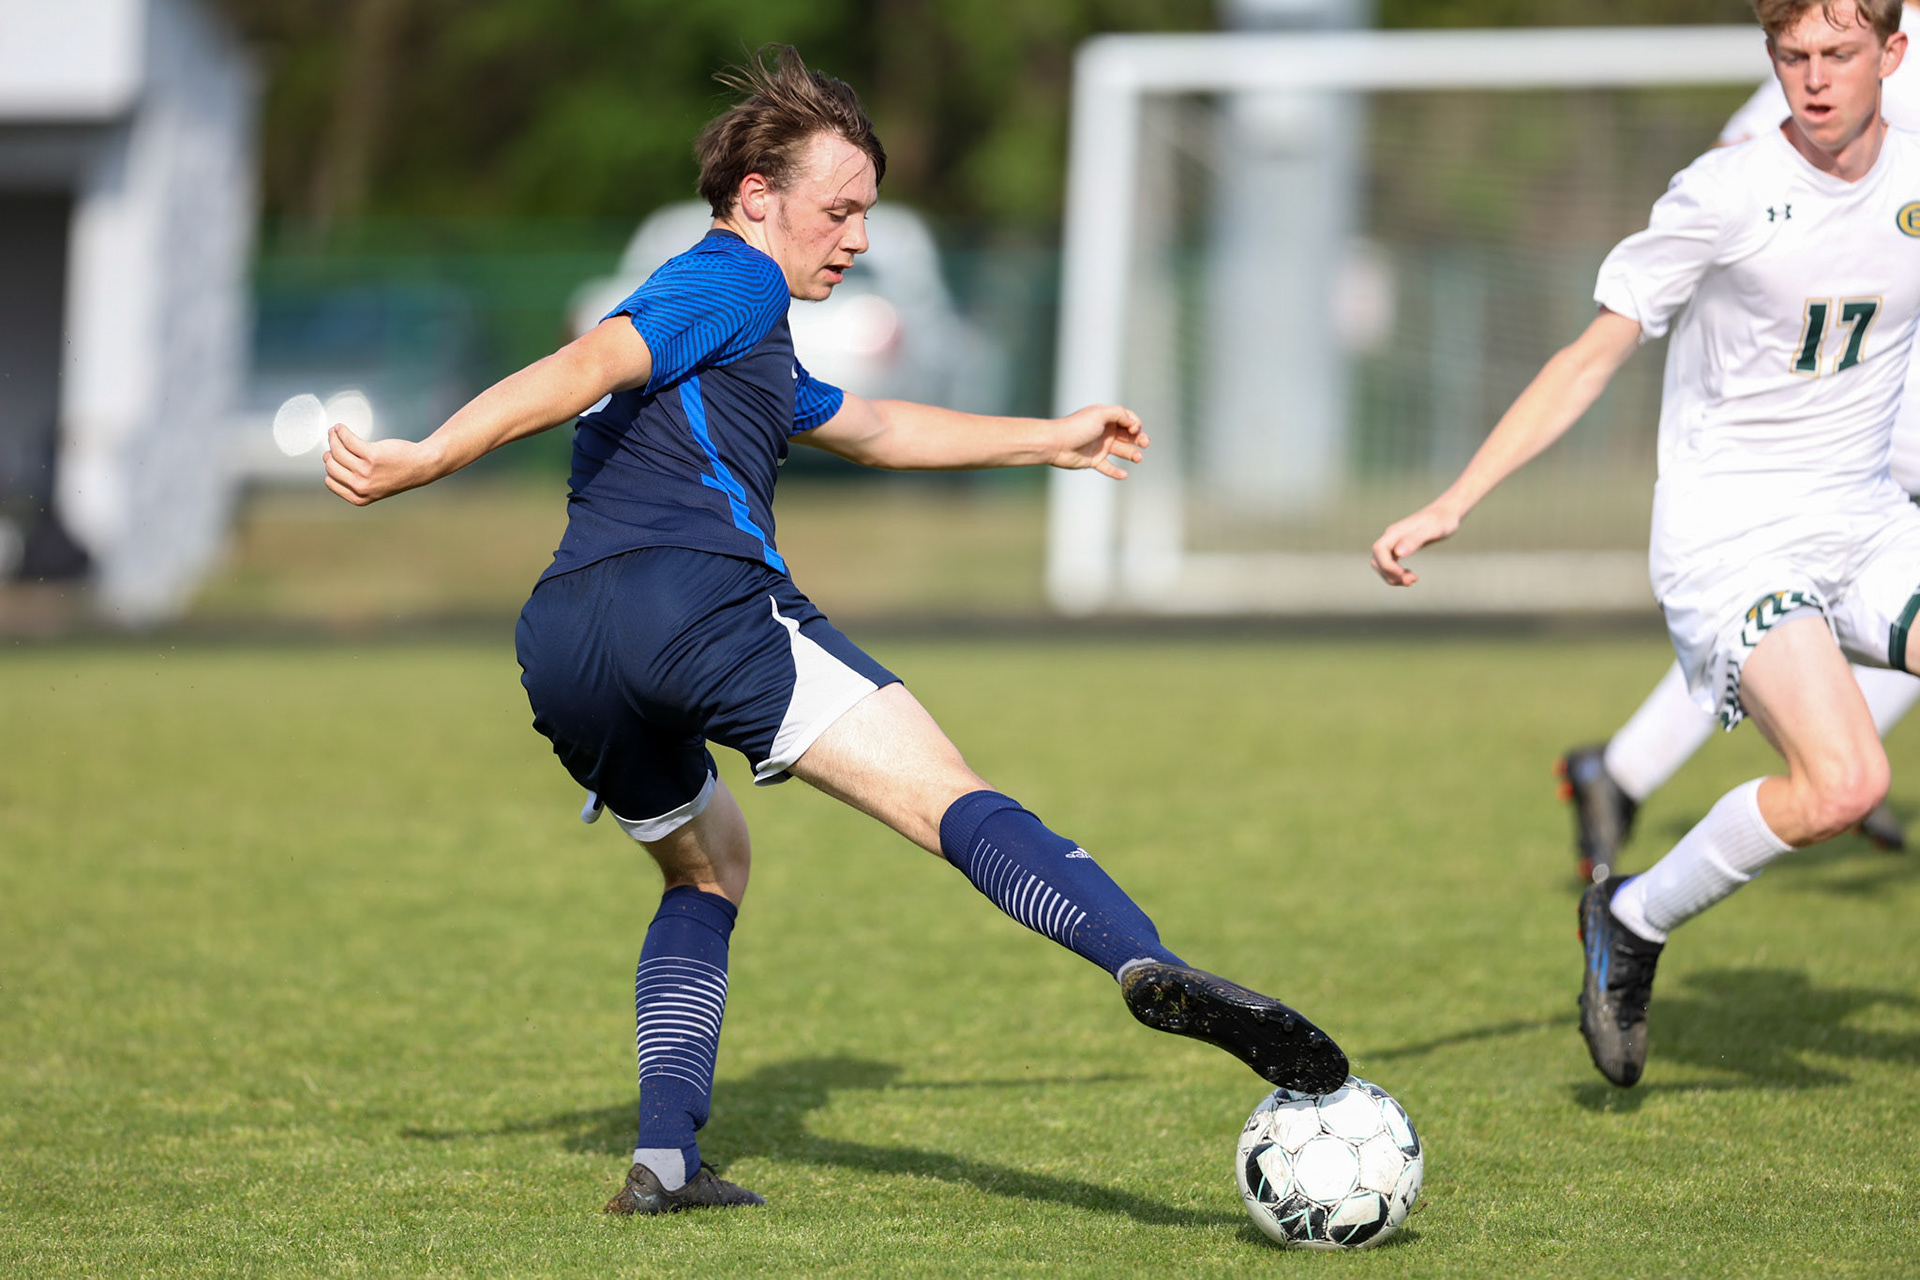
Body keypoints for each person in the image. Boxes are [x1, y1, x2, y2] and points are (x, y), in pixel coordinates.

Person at [322, 47, 1348, 1213]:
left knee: (710, 865)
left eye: (867, 212)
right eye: (840, 209)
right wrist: (428, 455)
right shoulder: (732, 284)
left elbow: (872, 426)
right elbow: (587, 360)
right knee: (949, 793)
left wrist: (1050, 437)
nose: (856, 238)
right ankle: (1142, 958)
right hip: (699, 603)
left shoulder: (738, 340)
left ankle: (665, 1156)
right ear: (757, 196)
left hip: (563, 638)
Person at [1370, 0, 1920, 1088]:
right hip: (1735, 539)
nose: (1813, 80)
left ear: (1893, 55)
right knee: (1846, 784)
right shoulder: (1722, 193)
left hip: (1867, 520)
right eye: (1791, 56)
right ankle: (1629, 917)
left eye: (1839, 54)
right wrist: (1456, 498)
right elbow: (1588, 356)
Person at [1557, 0, 1920, 884]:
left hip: (1882, 372)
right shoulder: (1846, 41)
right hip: (1840, 393)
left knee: (1833, 615)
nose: (1818, 69)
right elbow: (1745, 170)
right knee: (1781, 608)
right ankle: (1799, 769)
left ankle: (1666, 769)